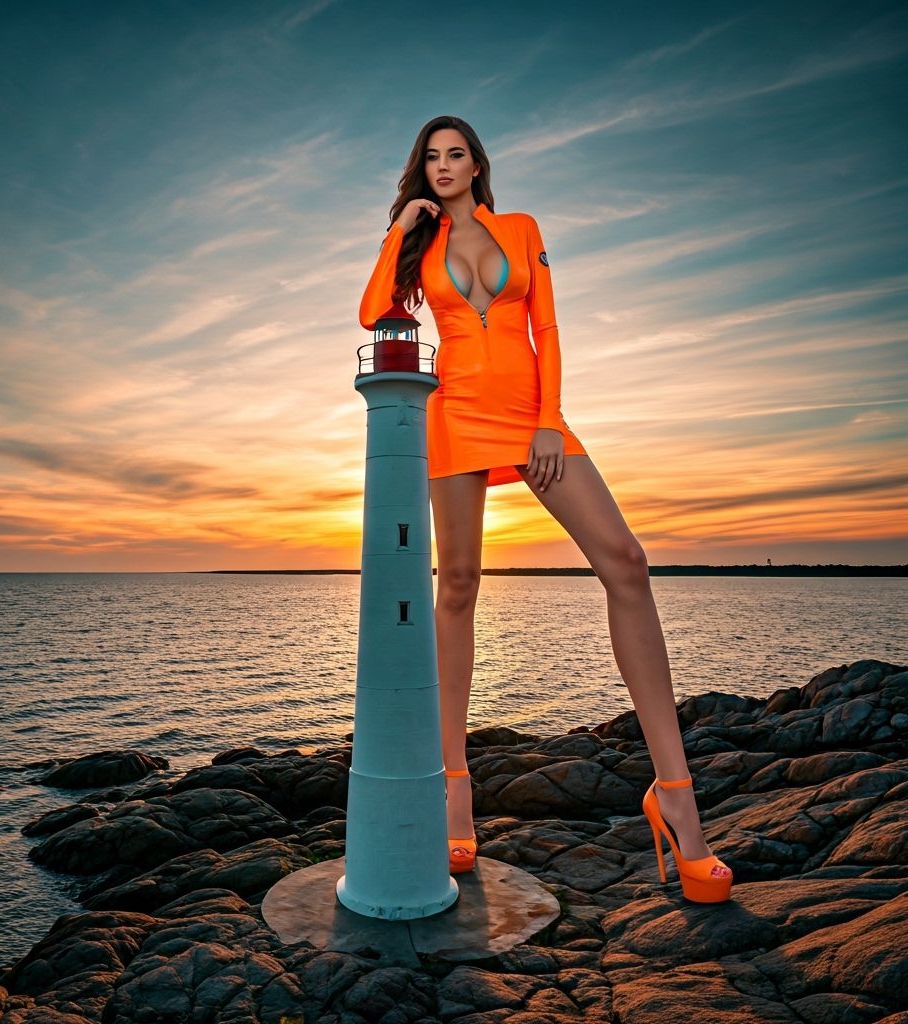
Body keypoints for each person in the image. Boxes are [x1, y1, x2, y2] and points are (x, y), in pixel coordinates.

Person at [358, 115, 732, 902]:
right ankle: (455, 791)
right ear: (422, 171)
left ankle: (674, 795)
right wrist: (399, 229)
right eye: (431, 158)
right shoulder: (419, 243)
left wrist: (549, 419)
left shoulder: (521, 229)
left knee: (626, 562)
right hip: (454, 412)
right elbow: (371, 313)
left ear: (477, 164)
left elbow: (548, 326)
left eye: (457, 154)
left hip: (530, 412)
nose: (444, 166)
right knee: (457, 585)